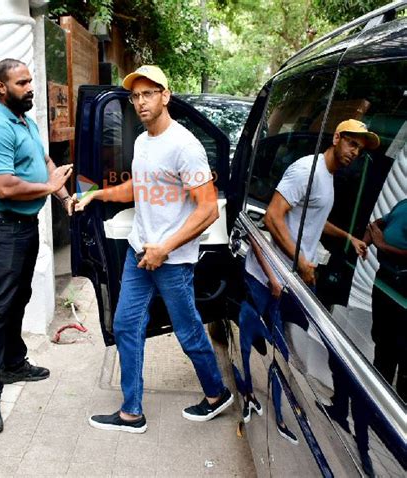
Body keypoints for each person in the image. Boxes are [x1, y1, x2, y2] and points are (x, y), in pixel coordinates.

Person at [74, 65, 234, 433]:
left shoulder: (185, 146)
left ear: (166, 95)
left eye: (148, 93)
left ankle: (216, 393)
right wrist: (97, 193)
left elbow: (208, 208)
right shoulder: (144, 142)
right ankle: (131, 411)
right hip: (138, 252)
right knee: (126, 325)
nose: (141, 102)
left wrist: (165, 247)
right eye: (135, 96)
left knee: (188, 330)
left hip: (172, 260)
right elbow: (138, 188)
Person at [240, 119, 380, 441]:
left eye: (359, 150)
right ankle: (253, 400)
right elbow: (273, 216)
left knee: (282, 346)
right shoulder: (307, 171)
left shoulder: (327, 178)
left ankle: (273, 406)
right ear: (337, 138)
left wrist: (348, 237)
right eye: (352, 144)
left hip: (290, 279)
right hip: (266, 276)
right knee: (261, 342)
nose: (354, 153)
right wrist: (302, 261)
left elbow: (315, 216)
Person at [0, 58, 73, 432]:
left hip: (24, 226)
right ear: (2, 87)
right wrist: (49, 188)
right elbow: (4, 186)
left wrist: (65, 199)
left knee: (18, 297)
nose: (31, 87)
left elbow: (46, 163)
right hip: (1, 228)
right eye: (22, 82)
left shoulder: (25, 121)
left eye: (31, 81)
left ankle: (13, 364)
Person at [364, 199, 406, 401]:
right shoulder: (404, 203)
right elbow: (382, 221)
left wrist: (382, 244)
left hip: (401, 288)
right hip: (385, 281)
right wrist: (370, 233)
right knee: (382, 343)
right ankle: (375, 405)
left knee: (398, 350)